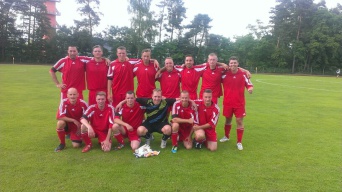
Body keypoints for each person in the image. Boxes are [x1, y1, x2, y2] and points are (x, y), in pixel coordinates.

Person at [220, 56, 253, 151]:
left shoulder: (243, 74)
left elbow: (249, 84)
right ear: (229, 64)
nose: (233, 64)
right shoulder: (224, 74)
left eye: (235, 63)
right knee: (228, 120)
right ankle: (226, 136)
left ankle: (239, 142)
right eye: (231, 63)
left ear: (238, 64)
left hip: (239, 103)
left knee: (239, 121)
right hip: (227, 102)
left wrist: (250, 89)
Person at [54, 87, 88, 152]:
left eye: (74, 94)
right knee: (60, 123)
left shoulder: (83, 103)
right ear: (67, 95)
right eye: (70, 94)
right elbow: (59, 117)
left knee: (76, 146)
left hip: (77, 126)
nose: (72, 96)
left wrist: (81, 127)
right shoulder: (63, 102)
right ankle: (62, 143)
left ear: (78, 95)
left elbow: (87, 118)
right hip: (67, 124)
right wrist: (73, 120)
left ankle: (73, 135)